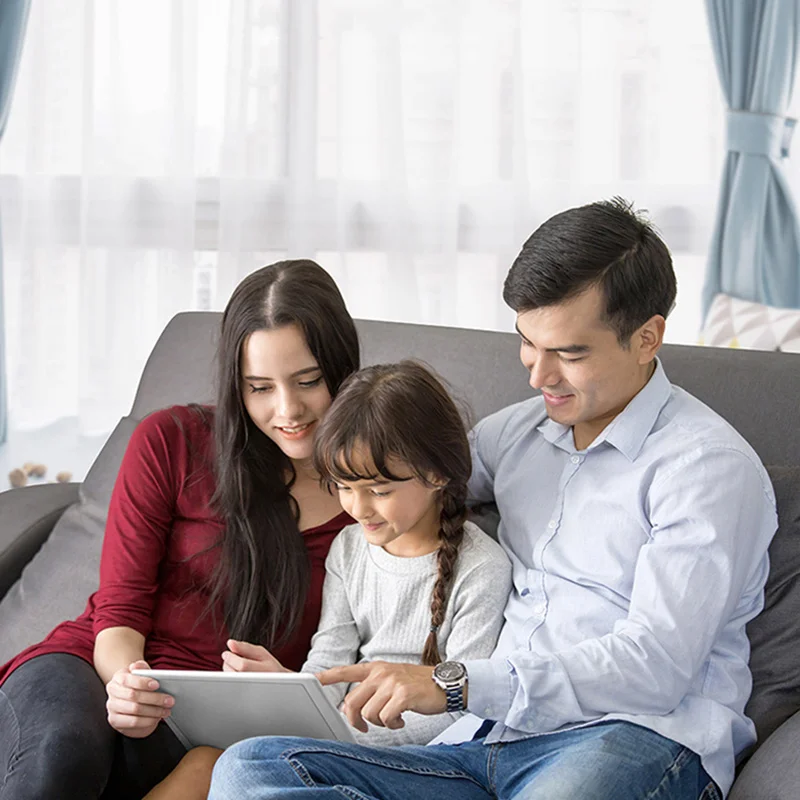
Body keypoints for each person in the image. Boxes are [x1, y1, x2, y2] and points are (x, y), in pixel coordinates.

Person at [207, 198, 778, 800]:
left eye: (570, 353)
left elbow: (655, 668)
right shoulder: (520, 434)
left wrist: (453, 684)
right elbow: (400, 484)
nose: (538, 374)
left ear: (647, 338)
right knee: (250, 769)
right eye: (528, 342)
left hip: (630, 739)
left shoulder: (708, 469)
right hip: (482, 745)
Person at [0, 259, 360, 800]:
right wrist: (127, 683)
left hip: (224, 729)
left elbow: (365, 661)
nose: (287, 410)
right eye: (259, 388)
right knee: (61, 757)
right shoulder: (172, 439)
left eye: (308, 381)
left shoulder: (376, 494)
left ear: (342, 366)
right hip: (103, 670)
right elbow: (119, 610)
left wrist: (287, 687)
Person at [143, 360, 512, 799]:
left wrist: (339, 737)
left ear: (436, 475)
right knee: (205, 759)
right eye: (342, 485)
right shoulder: (350, 547)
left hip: (414, 758)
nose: (358, 508)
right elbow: (330, 661)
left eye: (378, 491)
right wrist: (290, 688)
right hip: (337, 738)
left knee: (241, 767)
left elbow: (457, 710)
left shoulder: (482, 568)